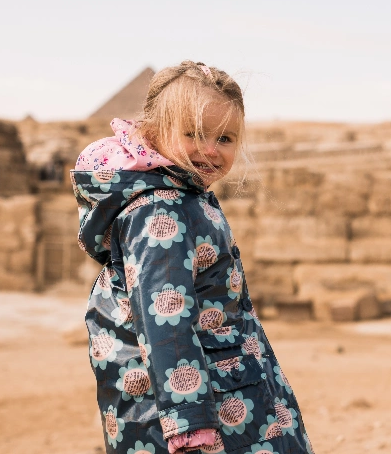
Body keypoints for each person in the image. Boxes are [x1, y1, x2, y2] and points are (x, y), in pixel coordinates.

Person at [72, 61, 314, 454]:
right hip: (199, 416)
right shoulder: (159, 210)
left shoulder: (183, 196)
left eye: (225, 138)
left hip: (222, 390)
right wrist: (189, 424)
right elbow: (165, 321)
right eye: (195, 134)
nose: (211, 150)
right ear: (153, 131)